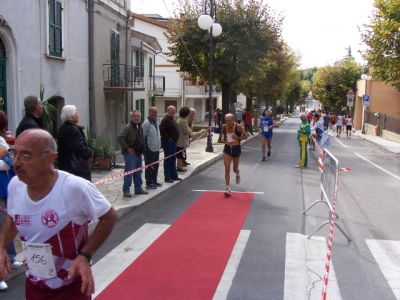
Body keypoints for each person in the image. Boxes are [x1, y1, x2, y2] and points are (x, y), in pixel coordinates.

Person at [0, 129, 117, 299]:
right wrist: (2, 246)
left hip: (71, 286)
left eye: (26, 156)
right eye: (14, 154)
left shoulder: (74, 188)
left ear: (50, 158)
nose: (16, 163)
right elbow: (12, 217)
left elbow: (109, 216)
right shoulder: (15, 185)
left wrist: (85, 255)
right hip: (34, 284)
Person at [0, 111, 22, 292]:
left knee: (6, 225)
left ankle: (11, 257)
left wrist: (8, 151)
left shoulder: (2, 140)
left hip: (4, 188)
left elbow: (9, 162)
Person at [57, 105, 93, 181]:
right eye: (76, 113)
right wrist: (89, 152)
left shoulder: (61, 129)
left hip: (64, 166)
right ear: (71, 116)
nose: (78, 115)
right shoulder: (74, 130)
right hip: (76, 168)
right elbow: (79, 148)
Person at [118, 110, 148, 197]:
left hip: (138, 153)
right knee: (129, 172)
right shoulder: (127, 127)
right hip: (131, 154)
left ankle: (138, 189)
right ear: (131, 117)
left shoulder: (140, 127)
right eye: (135, 116)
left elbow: (141, 139)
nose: (136, 118)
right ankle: (126, 190)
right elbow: (120, 137)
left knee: (138, 172)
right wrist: (127, 148)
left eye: (138, 116)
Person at [221, 113, 247, 196]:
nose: (228, 122)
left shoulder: (238, 127)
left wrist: (238, 138)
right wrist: (222, 138)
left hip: (236, 148)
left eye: (230, 120)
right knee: (227, 168)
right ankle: (228, 188)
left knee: (234, 169)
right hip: (227, 148)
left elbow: (246, 136)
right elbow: (223, 134)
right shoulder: (224, 126)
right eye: (227, 120)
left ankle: (237, 173)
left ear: (233, 119)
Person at [159, 106, 181, 183]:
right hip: (168, 142)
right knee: (168, 159)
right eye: (171, 110)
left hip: (173, 143)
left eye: (174, 110)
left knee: (173, 159)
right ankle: (167, 177)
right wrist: (169, 138)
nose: (173, 112)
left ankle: (174, 176)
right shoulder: (165, 119)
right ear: (167, 111)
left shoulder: (172, 119)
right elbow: (162, 130)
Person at [142, 107, 162, 190]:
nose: (154, 113)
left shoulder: (156, 122)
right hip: (149, 149)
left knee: (156, 165)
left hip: (156, 149)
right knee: (150, 166)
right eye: (152, 112)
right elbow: (142, 136)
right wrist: (145, 149)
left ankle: (154, 180)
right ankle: (149, 182)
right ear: (149, 112)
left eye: (155, 112)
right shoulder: (146, 123)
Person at [176, 107, 191, 173]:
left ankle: (180, 166)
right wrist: (190, 129)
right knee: (180, 155)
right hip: (181, 141)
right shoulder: (183, 121)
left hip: (179, 140)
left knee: (181, 154)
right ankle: (179, 167)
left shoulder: (179, 119)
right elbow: (187, 131)